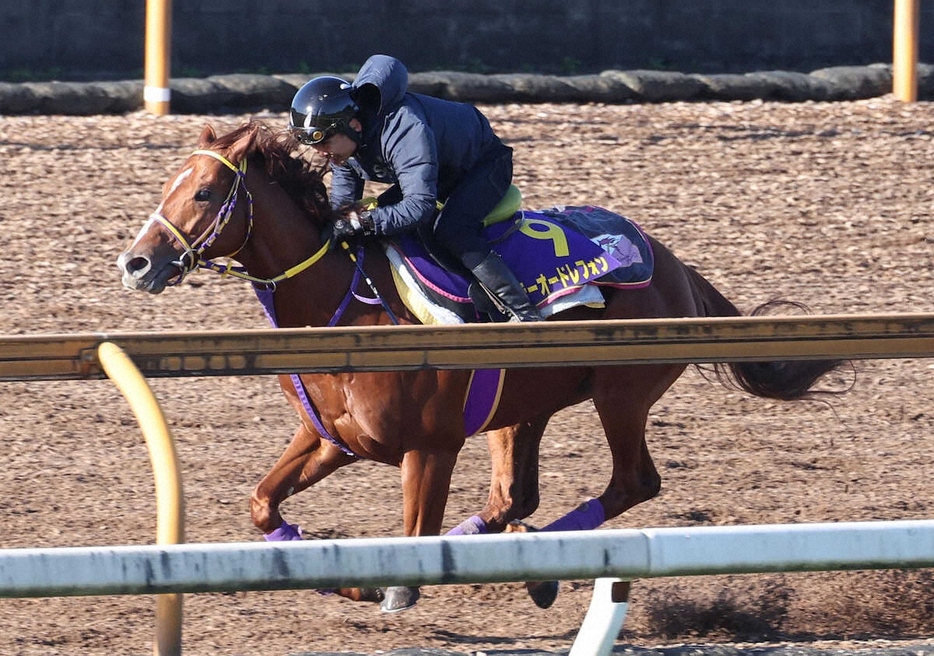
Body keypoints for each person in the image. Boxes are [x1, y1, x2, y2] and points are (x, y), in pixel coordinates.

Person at [288, 54, 542, 322]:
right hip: (439, 168)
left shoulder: (405, 128)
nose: (321, 154)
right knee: (374, 221)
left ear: (354, 125)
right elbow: (343, 207)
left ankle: (524, 312)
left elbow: (419, 207)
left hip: (482, 165)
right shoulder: (343, 147)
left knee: (451, 229)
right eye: (315, 147)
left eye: (324, 144)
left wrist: (361, 222)